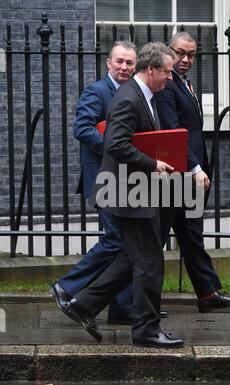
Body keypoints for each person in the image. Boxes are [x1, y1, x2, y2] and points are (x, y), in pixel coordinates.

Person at [62, 42, 184, 348]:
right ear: (153, 69)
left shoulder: (144, 96)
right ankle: (146, 330)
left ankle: (83, 304)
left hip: (133, 191)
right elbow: (115, 144)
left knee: (131, 257)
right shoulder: (129, 98)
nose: (170, 78)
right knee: (149, 261)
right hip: (129, 193)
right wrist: (152, 163)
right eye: (167, 72)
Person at [155, 32, 230, 312]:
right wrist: (194, 167)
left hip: (191, 174)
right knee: (154, 238)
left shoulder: (185, 83)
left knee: (191, 234)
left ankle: (207, 295)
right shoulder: (167, 85)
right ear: (169, 51)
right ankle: (127, 300)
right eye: (180, 53)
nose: (185, 59)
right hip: (177, 174)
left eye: (191, 54)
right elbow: (173, 131)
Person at [51, 42, 139, 325]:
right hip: (103, 177)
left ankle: (122, 307)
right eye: (120, 62)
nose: (124, 67)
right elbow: (83, 128)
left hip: (128, 180)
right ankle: (66, 286)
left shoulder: (133, 92)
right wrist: (115, 148)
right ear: (108, 63)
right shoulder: (97, 91)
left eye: (129, 63)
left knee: (128, 241)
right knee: (116, 239)